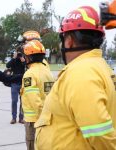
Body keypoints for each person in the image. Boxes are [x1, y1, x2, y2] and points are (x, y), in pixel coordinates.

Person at [35, 6, 116, 150]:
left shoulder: (81, 73)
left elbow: (99, 132)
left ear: (69, 40)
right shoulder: (99, 66)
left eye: (63, 38)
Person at [20, 40, 54, 150]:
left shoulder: (29, 74)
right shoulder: (47, 71)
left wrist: (41, 119)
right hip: (49, 118)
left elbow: (34, 99)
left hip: (34, 120)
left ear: (29, 57)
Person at [6, 50, 26, 124]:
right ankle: (13, 118)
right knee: (14, 101)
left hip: (23, 83)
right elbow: (7, 65)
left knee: (22, 101)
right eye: (18, 54)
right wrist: (13, 58)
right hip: (14, 83)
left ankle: (21, 118)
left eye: (19, 54)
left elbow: (27, 66)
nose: (18, 55)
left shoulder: (23, 59)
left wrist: (23, 59)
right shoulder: (13, 60)